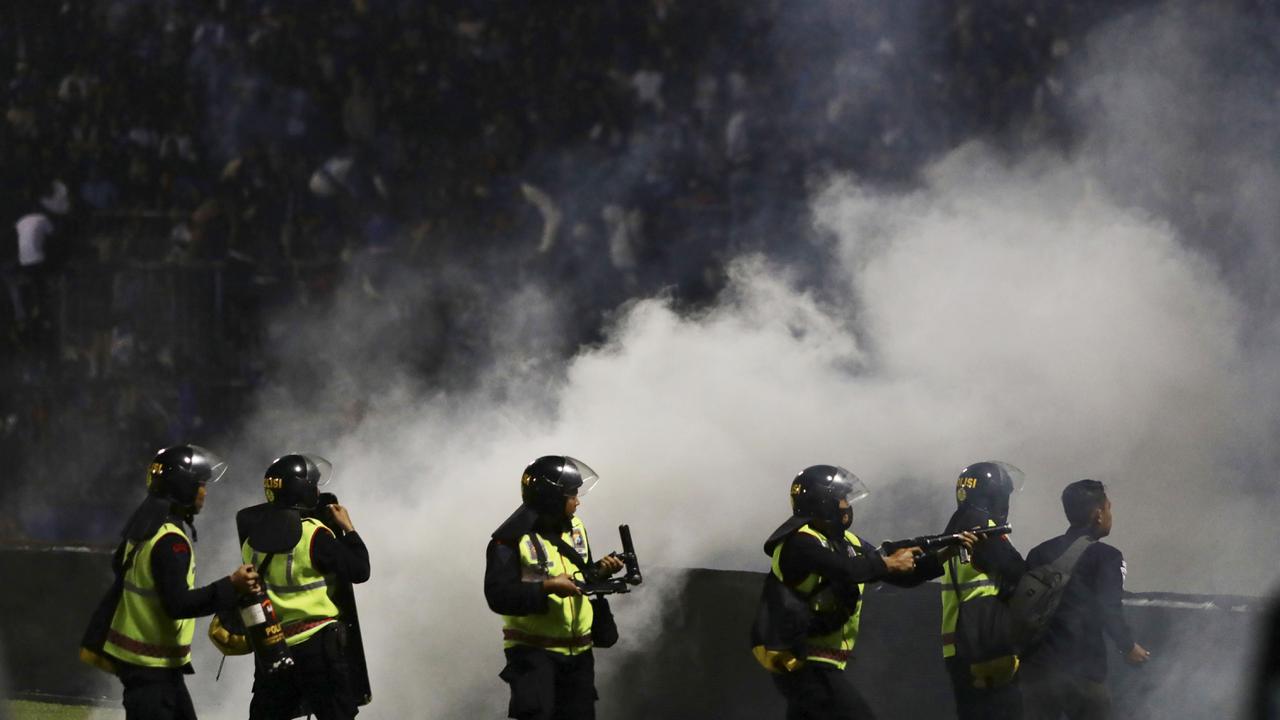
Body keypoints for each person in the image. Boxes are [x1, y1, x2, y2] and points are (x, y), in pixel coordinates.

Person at [755, 465, 966, 720]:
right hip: (804, 661)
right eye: (842, 499)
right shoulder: (798, 542)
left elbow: (901, 577)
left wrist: (945, 552)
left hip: (821, 664)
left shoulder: (848, 543)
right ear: (824, 503)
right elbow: (846, 569)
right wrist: (888, 562)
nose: (847, 506)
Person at [80, 444, 260, 720]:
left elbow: (119, 567)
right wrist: (231, 585)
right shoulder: (171, 541)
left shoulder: (144, 527)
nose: (205, 491)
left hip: (145, 665)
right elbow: (178, 604)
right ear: (184, 488)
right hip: (152, 668)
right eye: (201, 484)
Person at [484, 455, 625, 720]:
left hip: (579, 657)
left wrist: (601, 570)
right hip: (534, 658)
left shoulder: (576, 528)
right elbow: (498, 596)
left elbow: (581, 575)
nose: (578, 501)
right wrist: (548, 587)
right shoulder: (509, 541)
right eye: (572, 494)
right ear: (553, 498)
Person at [240, 454, 370, 720]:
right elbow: (359, 571)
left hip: (275, 650)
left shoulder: (250, 543)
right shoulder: (314, 534)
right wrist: (349, 529)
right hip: (318, 649)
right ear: (303, 490)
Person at [1020, 479, 1149, 720]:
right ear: (1098, 514)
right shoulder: (1107, 557)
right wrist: (1128, 646)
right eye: (1109, 508)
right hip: (1081, 670)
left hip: (1037, 669)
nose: (1110, 514)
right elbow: (1109, 608)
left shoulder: (1039, 552)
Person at [941, 461, 1028, 720]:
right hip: (985, 642)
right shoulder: (982, 526)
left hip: (961, 641)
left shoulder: (957, 524)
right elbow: (1016, 571)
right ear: (993, 496)